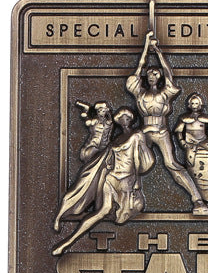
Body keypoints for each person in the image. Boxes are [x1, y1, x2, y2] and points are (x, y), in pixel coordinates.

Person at [126, 31, 208, 216]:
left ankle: (197, 200)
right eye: (150, 74)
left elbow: (169, 74)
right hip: (144, 132)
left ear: (159, 77)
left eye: (155, 74)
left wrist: (158, 52)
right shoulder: (140, 93)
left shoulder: (165, 93)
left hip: (161, 131)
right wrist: (146, 47)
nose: (152, 76)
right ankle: (129, 201)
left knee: (172, 163)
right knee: (133, 164)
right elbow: (138, 70)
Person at [52, 106, 154, 255]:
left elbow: (138, 160)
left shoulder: (137, 135)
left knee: (121, 215)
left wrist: (137, 181)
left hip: (126, 180)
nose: (124, 121)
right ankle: (67, 242)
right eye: (121, 118)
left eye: (127, 118)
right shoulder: (116, 139)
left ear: (131, 120)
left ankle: (66, 242)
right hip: (111, 178)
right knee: (102, 211)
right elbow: (108, 159)